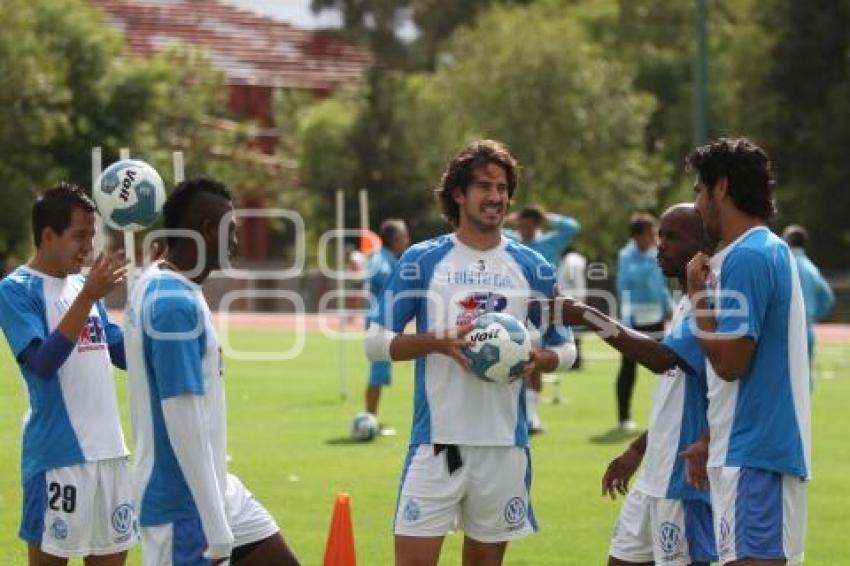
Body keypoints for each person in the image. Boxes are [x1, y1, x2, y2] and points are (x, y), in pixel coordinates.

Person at [365, 140, 576, 566]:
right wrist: (437, 341)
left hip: (504, 447)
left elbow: (566, 347)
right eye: (484, 186)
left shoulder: (532, 265)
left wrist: (537, 358)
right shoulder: (421, 261)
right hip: (436, 444)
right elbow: (374, 343)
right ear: (459, 194)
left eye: (502, 188)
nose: (495, 197)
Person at [123, 177, 300, 565]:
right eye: (231, 230)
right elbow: (182, 416)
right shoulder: (172, 304)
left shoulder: (159, 282)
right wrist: (215, 522)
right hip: (183, 503)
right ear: (207, 230)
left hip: (215, 489)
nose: (236, 241)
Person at [552, 204, 717, 566]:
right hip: (653, 475)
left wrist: (585, 314)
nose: (661, 246)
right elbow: (674, 397)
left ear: (704, 242)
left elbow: (660, 360)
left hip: (682, 482)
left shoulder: (711, 301)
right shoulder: (685, 303)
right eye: (661, 236)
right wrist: (637, 451)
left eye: (673, 237)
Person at [684, 138, 810, 565]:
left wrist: (697, 295)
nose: (697, 204)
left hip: (754, 458)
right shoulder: (764, 250)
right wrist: (709, 437)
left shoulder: (748, 257)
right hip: (752, 453)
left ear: (720, 187)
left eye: (700, 191)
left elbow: (732, 364)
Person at [0, 183, 135, 565]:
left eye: (92, 235)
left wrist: (161, 336)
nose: (89, 247)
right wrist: (89, 297)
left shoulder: (81, 285)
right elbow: (43, 363)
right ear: (47, 235)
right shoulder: (15, 290)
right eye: (80, 235)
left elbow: (120, 352)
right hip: (58, 460)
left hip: (111, 454)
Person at [504, 206, 580, 432]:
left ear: (537, 225)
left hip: (542, 310)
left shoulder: (550, 242)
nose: (524, 230)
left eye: (529, 225)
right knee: (511, 360)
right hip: (512, 308)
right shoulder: (509, 239)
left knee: (533, 364)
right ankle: (524, 417)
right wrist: (509, 217)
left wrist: (547, 215)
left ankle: (532, 416)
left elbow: (572, 227)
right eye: (521, 225)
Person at [615, 213, 671, 432]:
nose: (655, 238)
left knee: (669, 367)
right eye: (651, 234)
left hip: (657, 316)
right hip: (634, 318)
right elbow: (630, 282)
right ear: (638, 236)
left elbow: (660, 283)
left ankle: (667, 415)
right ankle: (623, 417)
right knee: (628, 368)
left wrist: (668, 308)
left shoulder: (653, 253)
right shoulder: (626, 255)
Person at [363, 218, 411, 433]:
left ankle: (372, 418)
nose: (407, 240)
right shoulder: (382, 259)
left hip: (383, 323)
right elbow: (374, 277)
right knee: (378, 372)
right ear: (394, 239)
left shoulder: (388, 258)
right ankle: (369, 419)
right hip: (379, 324)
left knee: (380, 372)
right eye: (404, 236)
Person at [781, 224, 835, 366]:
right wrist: (812, 316)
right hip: (807, 329)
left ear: (789, 241)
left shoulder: (784, 263)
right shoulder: (811, 267)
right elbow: (828, 297)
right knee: (805, 381)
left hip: (786, 330)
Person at [557, 246, 587, 369]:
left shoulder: (570, 260)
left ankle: (574, 361)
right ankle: (576, 361)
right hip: (577, 299)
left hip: (569, 300)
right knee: (575, 333)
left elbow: (572, 280)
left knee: (569, 333)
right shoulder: (577, 260)